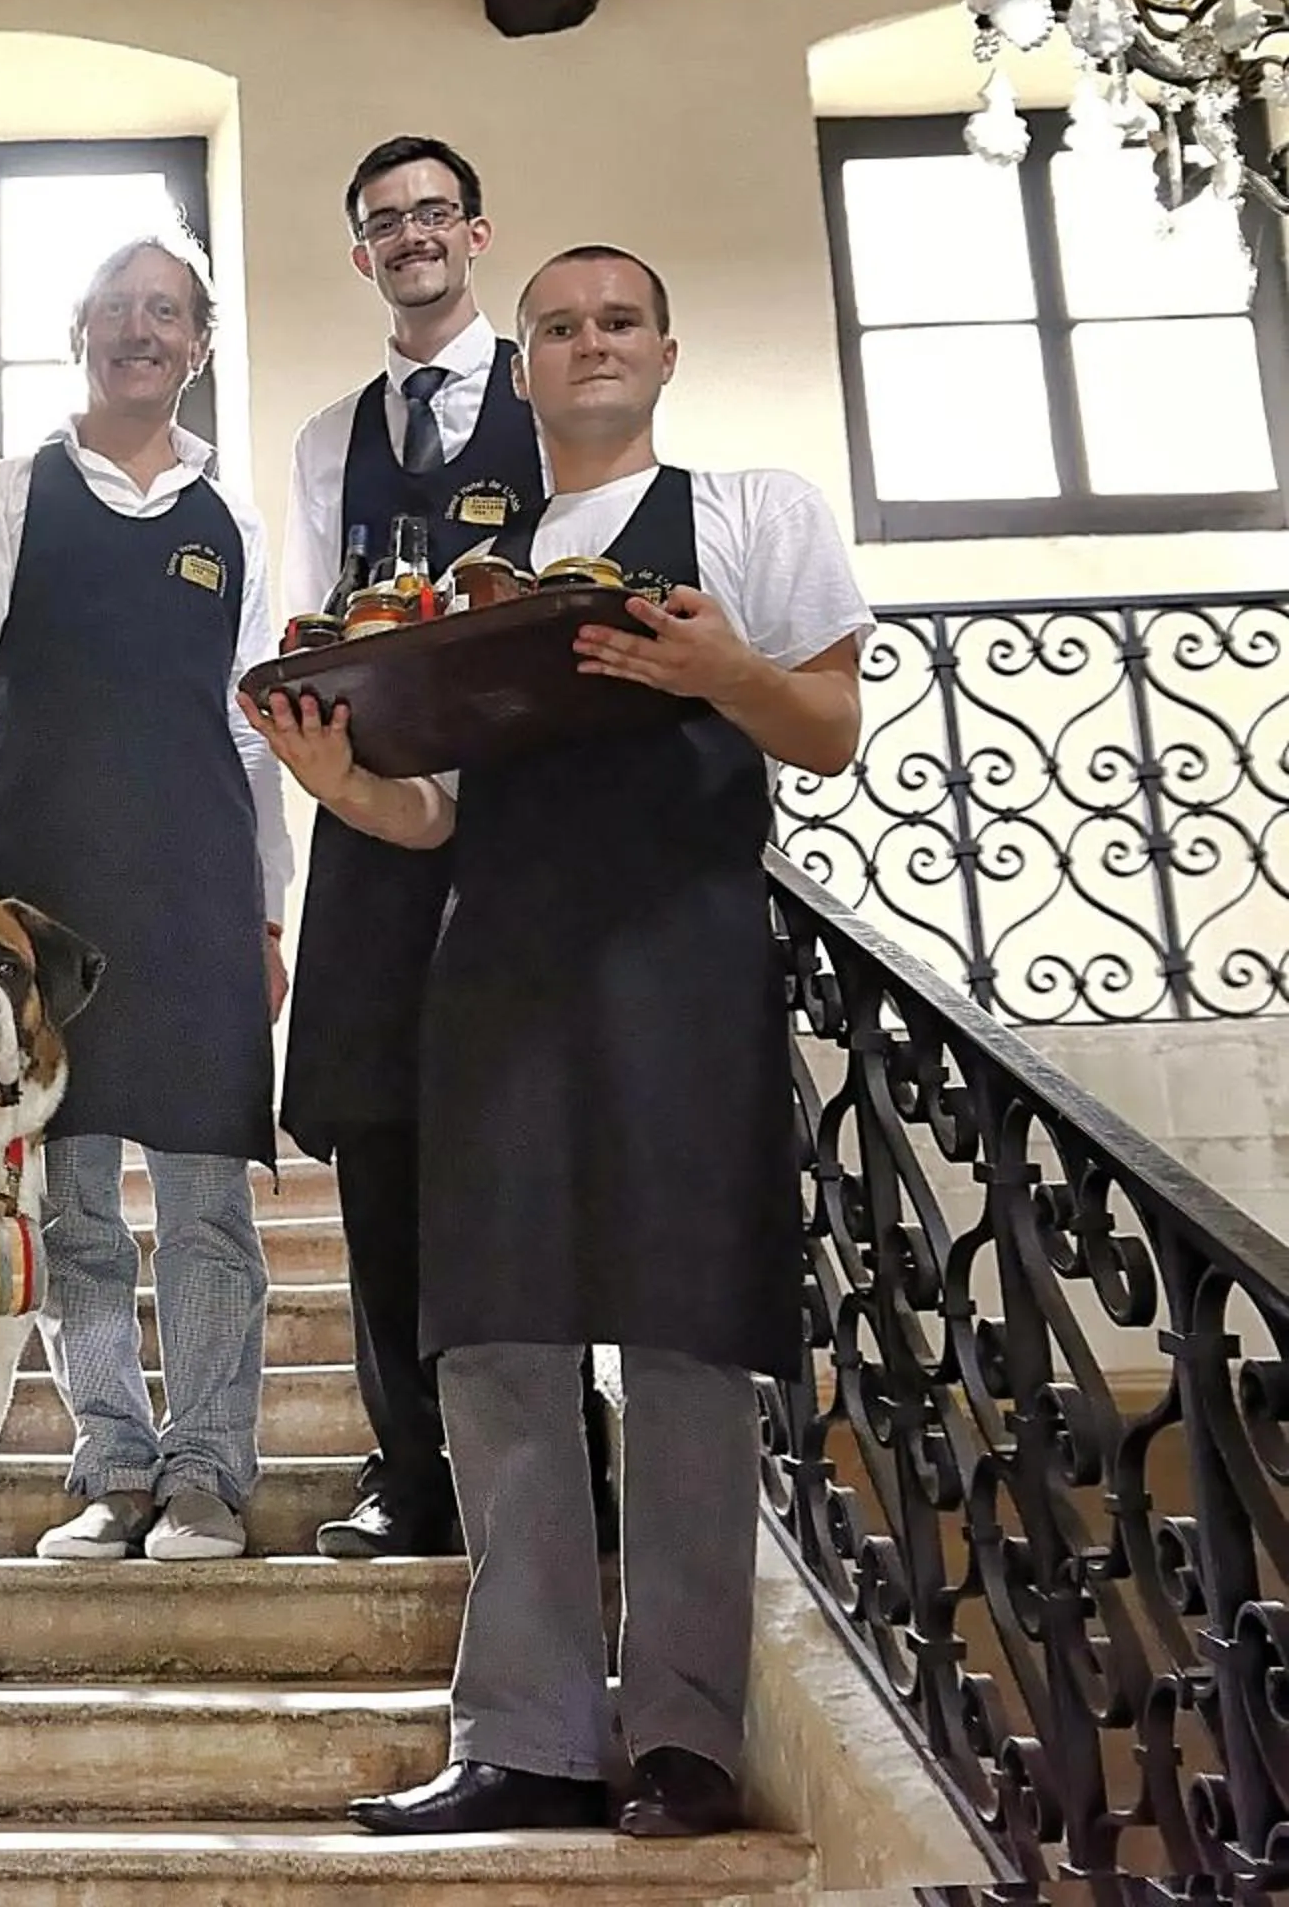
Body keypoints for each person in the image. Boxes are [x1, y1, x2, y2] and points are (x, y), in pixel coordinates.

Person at [249, 247, 869, 1838]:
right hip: (499, 973)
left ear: (666, 352)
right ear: (521, 370)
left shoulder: (752, 511)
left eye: (617, 321)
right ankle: (520, 1735)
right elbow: (437, 809)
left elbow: (829, 730)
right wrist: (341, 793)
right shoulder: (477, 577)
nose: (589, 344)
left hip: (682, 961)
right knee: (502, 1345)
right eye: (557, 328)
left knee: (683, 1346)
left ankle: (680, 1741)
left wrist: (724, 668)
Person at [0, 231, 291, 1566]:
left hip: (197, 898)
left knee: (204, 1212)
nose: (141, 329)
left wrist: (271, 912)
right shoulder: (6, 496)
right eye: (117, 308)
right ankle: (112, 1466)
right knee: (71, 1207)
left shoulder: (232, 524)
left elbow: (253, 733)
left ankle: (210, 1479)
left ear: (198, 343)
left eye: (165, 311)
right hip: (41, 897)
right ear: (80, 333)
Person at [277, 136, 545, 1561]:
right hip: (376, 823)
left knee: (518, 1140)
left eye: (435, 212)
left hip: (521, 823)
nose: (413, 236)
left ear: (476, 232)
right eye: (386, 222)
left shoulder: (547, 405)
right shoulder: (331, 440)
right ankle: (411, 1468)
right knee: (379, 1145)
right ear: (361, 253)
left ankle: (555, 1470)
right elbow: (326, 618)